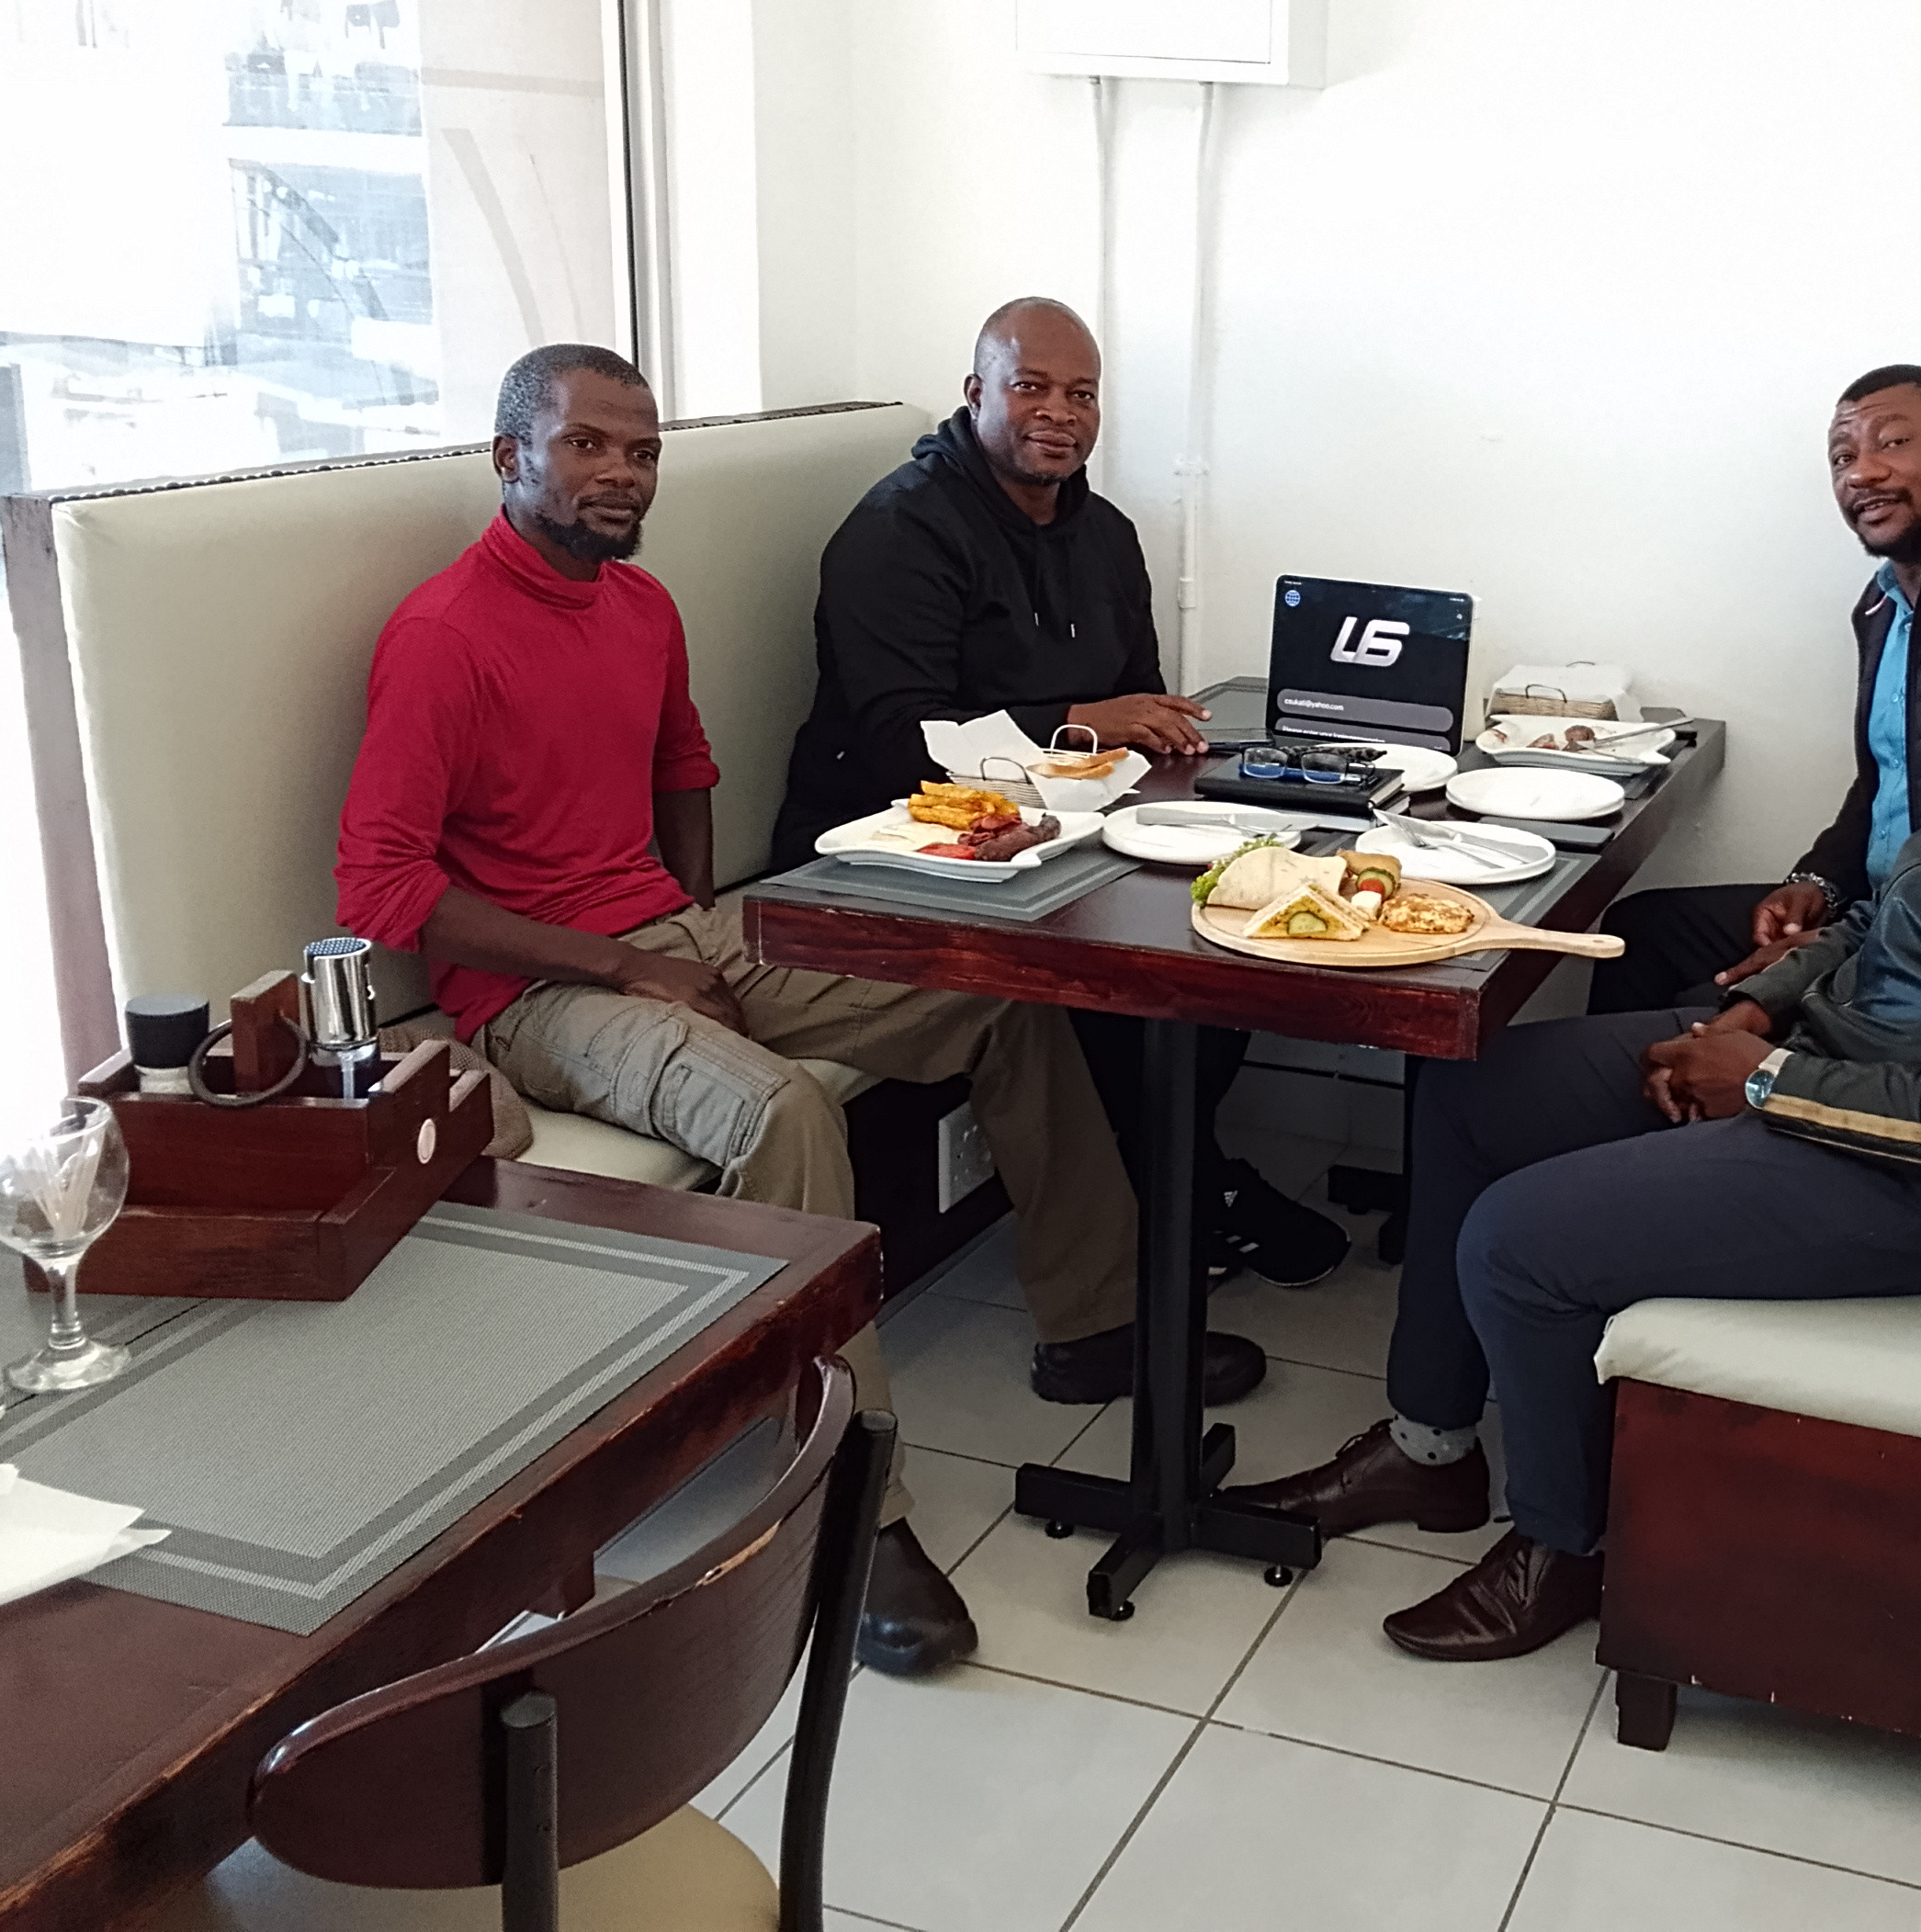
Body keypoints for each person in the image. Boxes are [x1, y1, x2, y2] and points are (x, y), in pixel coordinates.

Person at [334, 343, 1267, 1680]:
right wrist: (629, 964)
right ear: (508, 457)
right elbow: (382, 890)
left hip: (670, 930)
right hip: (533, 993)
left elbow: (685, 765)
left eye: (641, 451)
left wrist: (689, 918)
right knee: (778, 1111)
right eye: (587, 445)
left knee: (1001, 1000)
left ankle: (1094, 1322)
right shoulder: (442, 636)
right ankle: (851, 1510)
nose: (620, 473)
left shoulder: (640, 605)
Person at [1234, 500, 1921, 1660]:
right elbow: (1891, 906)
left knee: (1517, 1242)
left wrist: (1762, 1080)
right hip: (1834, 1054)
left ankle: (1563, 1545)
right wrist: (1760, 1005)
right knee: (1474, 1088)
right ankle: (1431, 1451)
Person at [770, 298, 1350, 1287]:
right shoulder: (897, 532)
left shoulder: (1105, 533)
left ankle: (1180, 1184)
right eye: (1030, 387)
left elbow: (1140, 710)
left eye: (1081, 394)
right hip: (898, 853)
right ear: (976, 393)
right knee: (1143, 992)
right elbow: (903, 741)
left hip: (1061, 835)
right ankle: (1169, 1210)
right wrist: (1081, 720)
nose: (1059, 413)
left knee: (1229, 936)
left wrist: (1166, 750)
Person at [1588, 365, 1921, 1013]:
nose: (1861, 473)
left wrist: (1838, 946)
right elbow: (1887, 780)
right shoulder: (1883, 601)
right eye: (1843, 457)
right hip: (1878, 904)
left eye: (1893, 442)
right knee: (1640, 934)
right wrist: (1818, 881)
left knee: (1697, 1009)